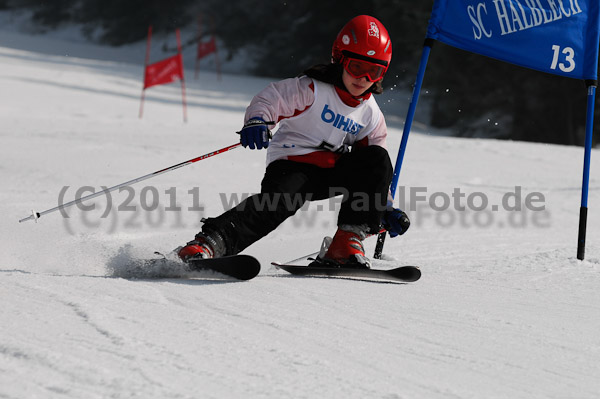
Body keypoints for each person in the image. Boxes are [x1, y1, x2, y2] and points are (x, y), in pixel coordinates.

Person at [177, 15, 410, 268]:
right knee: (278, 203)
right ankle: (209, 244)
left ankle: (346, 243)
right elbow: (271, 99)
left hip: (333, 172)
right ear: (340, 59)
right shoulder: (312, 89)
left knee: (377, 157)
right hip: (293, 165)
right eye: (356, 67)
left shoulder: (371, 114)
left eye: (374, 71)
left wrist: (383, 208)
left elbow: (375, 171)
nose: (364, 78)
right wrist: (258, 121)